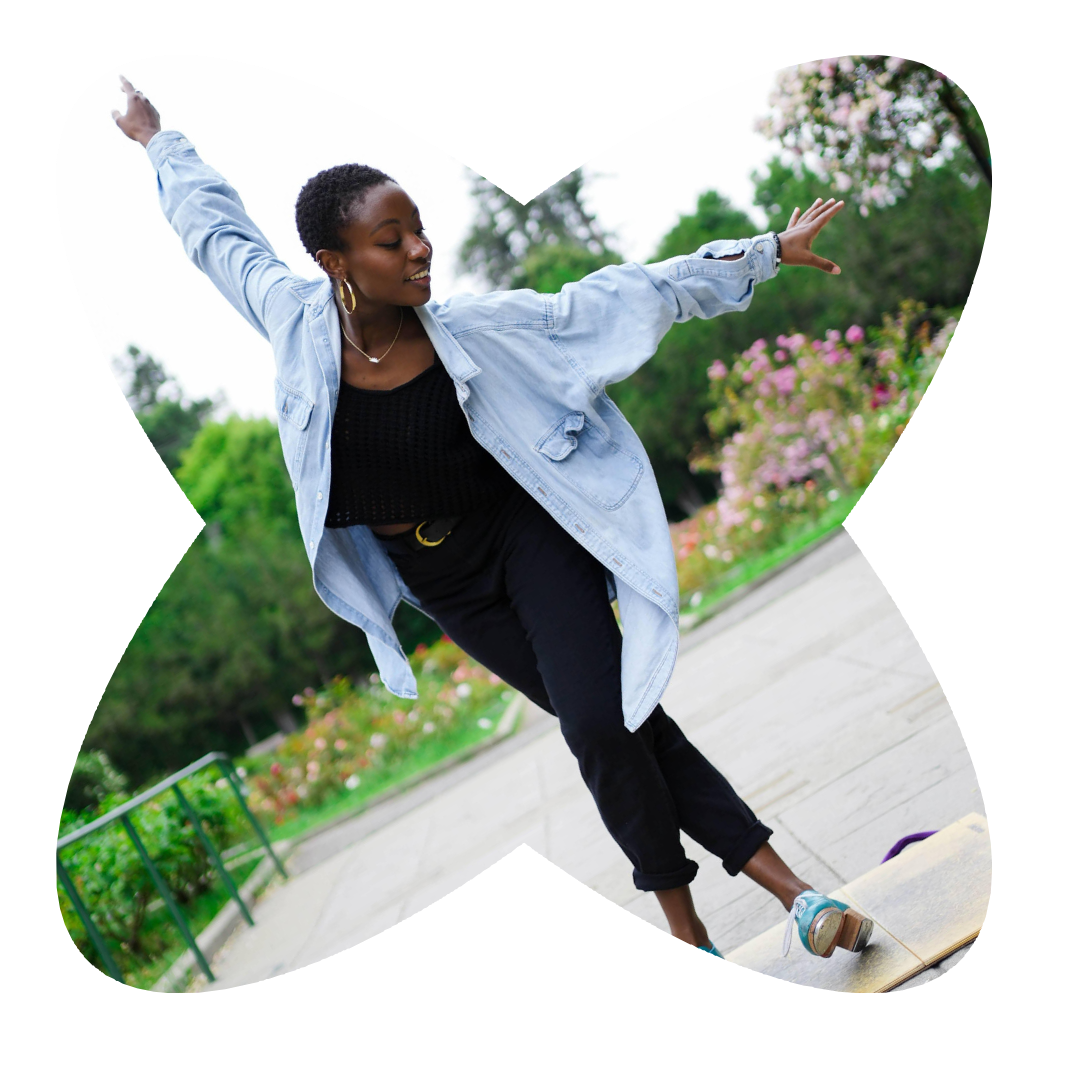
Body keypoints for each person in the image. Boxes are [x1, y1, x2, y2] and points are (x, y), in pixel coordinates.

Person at [112, 75, 873, 961]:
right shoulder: (290, 321)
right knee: (619, 723)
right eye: (390, 241)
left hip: (526, 538)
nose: (419, 251)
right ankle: (761, 907)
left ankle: (741, 909)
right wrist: (155, 139)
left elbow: (613, 299)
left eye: (419, 231)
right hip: (447, 586)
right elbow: (216, 233)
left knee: (596, 722)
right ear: (335, 261)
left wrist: (764, 252)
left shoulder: (474, 329)